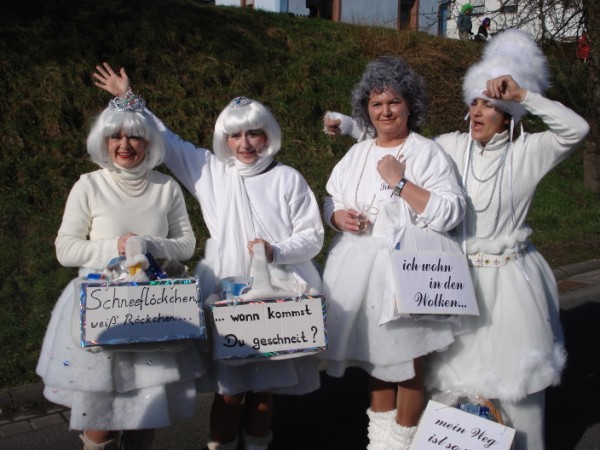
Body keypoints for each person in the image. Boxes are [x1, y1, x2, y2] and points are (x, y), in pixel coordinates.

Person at [323, 29, 590, 450]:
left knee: (514, 384)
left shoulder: (529, 151)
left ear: (510, 114)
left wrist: (524, 95)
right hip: (451, 278)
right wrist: (352, 124)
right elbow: (393, 142)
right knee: (451, 385)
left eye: (492, 105)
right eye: (475, 103)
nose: (479, 111)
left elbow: (576, 129)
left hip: (508, 282)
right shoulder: (451, 145)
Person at [93, 63, 325, 450]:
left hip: (280, 286)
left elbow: (313, 235)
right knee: (229, 390)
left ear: (267, 135)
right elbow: (169, 142)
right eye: (235, 135)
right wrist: (129, 99)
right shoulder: (210, 171)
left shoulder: (288, 178)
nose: (245, 143)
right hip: (226, 287)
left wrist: (277, 250)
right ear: (225, 139)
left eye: (253, 133)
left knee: (265, 390)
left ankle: (257, 445)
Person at [36, 89, 207, 450]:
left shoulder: (166, 187)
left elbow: (186, 244)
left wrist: (148, 245)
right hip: (102, 310)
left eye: (135, 137)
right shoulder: (89, 185)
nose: (125, 145)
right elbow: (66, 249)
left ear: (149, 142)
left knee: (147, 416)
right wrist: (115, 247)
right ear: (104, 141)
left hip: (153, 309)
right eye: (116, 136)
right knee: (101, 420)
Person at [321, 55, 465, 450]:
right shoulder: (357, 153)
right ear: (366, 108)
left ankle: (401, 442)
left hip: (408, 270)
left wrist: (400, 183)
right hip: (358, 270)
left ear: (409, 105)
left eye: (394, 102)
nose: (385, 111)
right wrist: (338, 217)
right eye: (376, 103)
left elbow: (451, 211)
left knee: (407, 363)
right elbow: (332, 197)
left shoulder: (426, 152)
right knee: (377, 361)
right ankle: (380, 441)